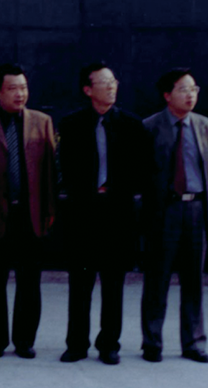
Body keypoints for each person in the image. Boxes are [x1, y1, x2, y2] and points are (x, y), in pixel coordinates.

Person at [0, 63, 57, 360]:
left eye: (24, 87)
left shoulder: (42, 122)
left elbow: (49, 173)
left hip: (30, 215)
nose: (20, 94)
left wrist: (49, 211)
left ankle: (25, 341)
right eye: (13, 88)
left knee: (29, 283)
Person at [58, 63, 149, 365]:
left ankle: (109, 344)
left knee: (113, 284)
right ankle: (76, 344)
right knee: (80, 284)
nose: (111, 87)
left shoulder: (132, 125)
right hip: (84, 213)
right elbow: (66, 168)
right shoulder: (71, 124)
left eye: (114, 81)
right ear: (88, 89)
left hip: (117, 214)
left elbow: (139, 170)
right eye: (104, 82)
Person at [141, 68, 208, 364]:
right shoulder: (150, 127)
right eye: (183, 89)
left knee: (194, 281)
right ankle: (152, 342)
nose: (190, 95)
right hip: (165, 210)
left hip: (195, 208)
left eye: (194, 89)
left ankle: (194, 343)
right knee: (157, 280)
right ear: (167, 95)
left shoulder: (206, 125)